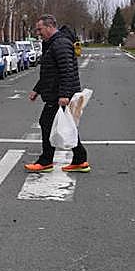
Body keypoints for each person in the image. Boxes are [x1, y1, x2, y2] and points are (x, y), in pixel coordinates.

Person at [26, 14, 89, 173]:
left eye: (40, 29)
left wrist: (64, 95)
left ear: (49, 27)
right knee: (66, 125)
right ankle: (80, 159)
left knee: (47, 123)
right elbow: (50, 72)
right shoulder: (52, 43)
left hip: (59, 94)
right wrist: (37, 89)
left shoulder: (60, 44)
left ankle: (46, 161)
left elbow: (67, 71)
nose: (38, 33)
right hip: (56, 92)